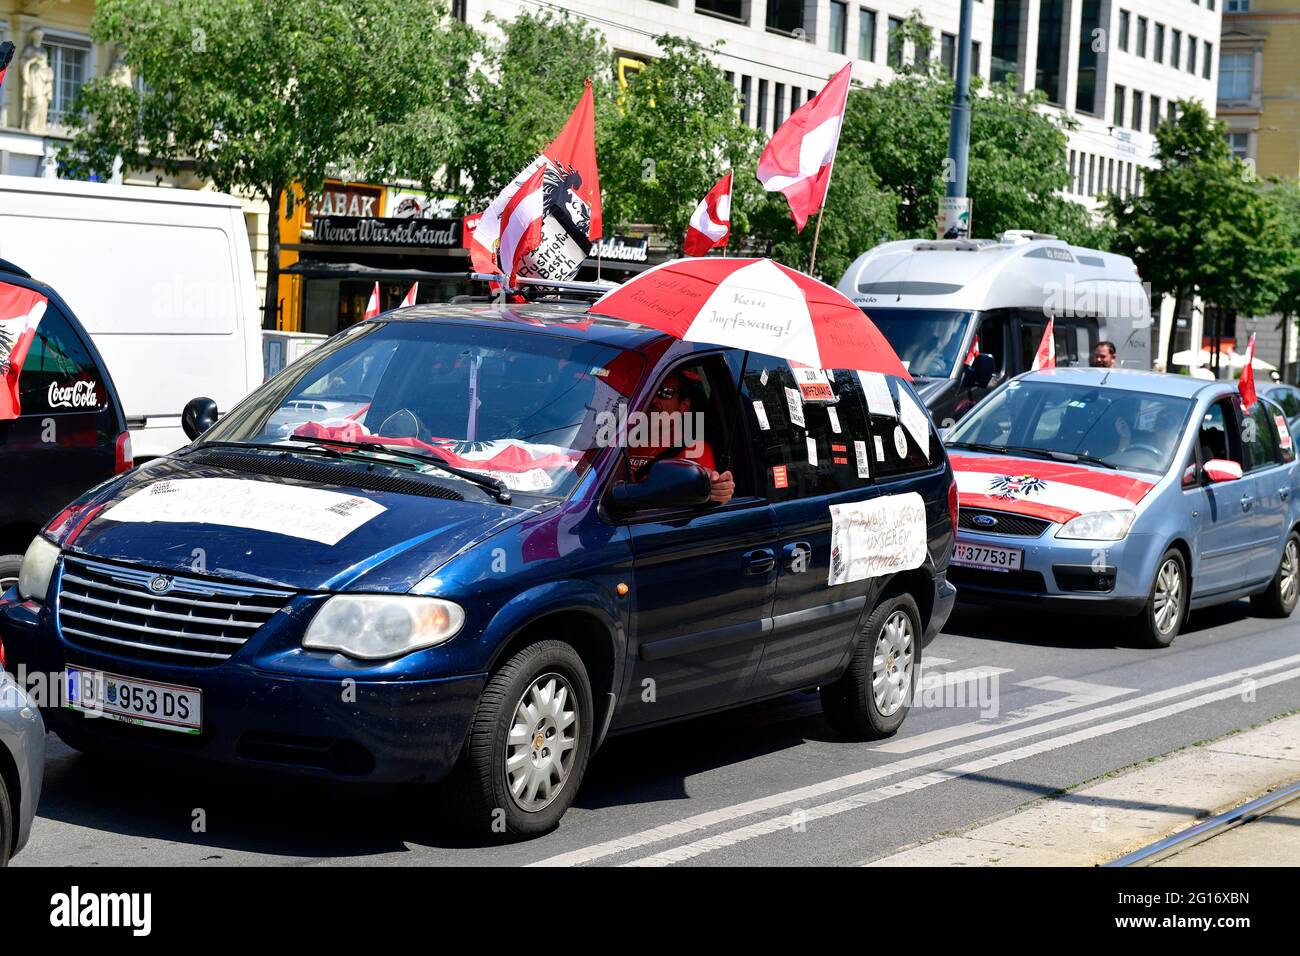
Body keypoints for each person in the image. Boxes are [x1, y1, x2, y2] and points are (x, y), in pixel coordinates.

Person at [627, 370, 735, 504]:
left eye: (665, 392)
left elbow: (707, 480)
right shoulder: (624, 441)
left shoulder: (694, 447)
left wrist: (716, 488)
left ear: (683, 407)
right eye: (649, 393)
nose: (653, 400)